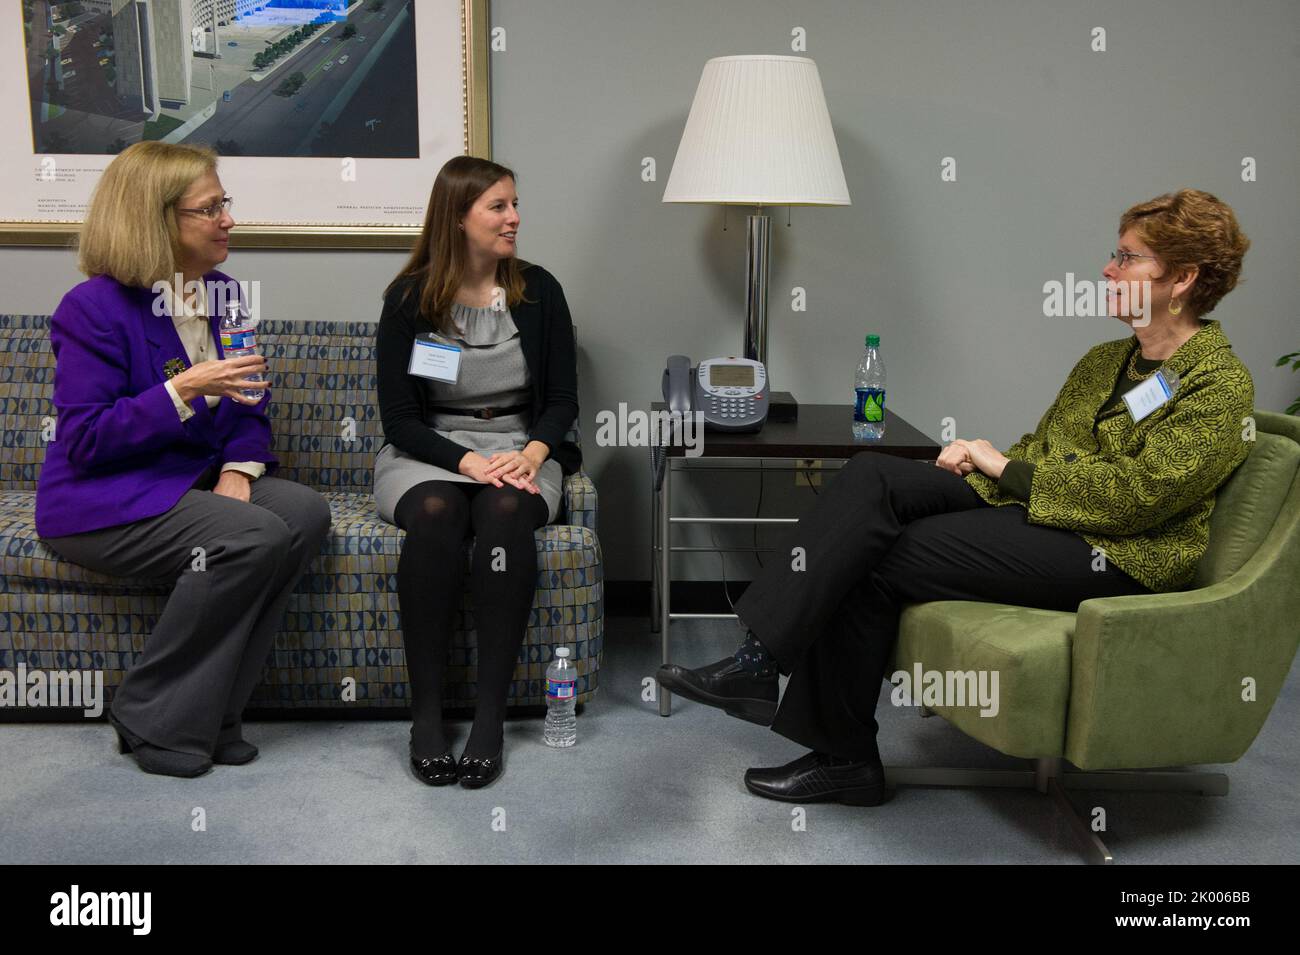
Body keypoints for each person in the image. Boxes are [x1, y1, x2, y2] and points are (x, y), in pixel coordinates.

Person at [659, 188, 1255, 805]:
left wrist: (1002, 467)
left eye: (1128, 258)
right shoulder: (1108, 360)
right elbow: (1043, 447)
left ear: (1181, 278)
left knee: (880, 555)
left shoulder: (1218, 385)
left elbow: (1136, 499)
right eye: (1114, 253)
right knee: (872, 477)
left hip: (1119, 553)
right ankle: (759, 659)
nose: (1108, 269)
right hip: (1046, 513)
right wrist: (976, 465)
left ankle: (843, 758)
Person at [36, 142, 332, 778]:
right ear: (157, 220)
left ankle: (217, 711)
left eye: (224, 203)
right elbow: (85, 439)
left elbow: (250, 405)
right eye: (210, 208)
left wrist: (235, 471)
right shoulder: (91, 309)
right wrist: (184, 390)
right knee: (252, 535)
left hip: (189, 484)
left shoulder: (223, 295)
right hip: (102, 501)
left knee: (304, 513)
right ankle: (149, 710)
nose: (228, 219)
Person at [375, 156, 580, 789]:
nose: (514, 217)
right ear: (458, 218)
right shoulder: (411, 299)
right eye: (498, 206)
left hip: (520, 444)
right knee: (437, 513)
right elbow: (402, 420)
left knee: (504, 512)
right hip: (431, 451)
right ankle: (427, 719)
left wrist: (533, 455)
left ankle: (489, 721)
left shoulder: (540, 291)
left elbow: (562, 402)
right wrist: (464, 461)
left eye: (515, 204)